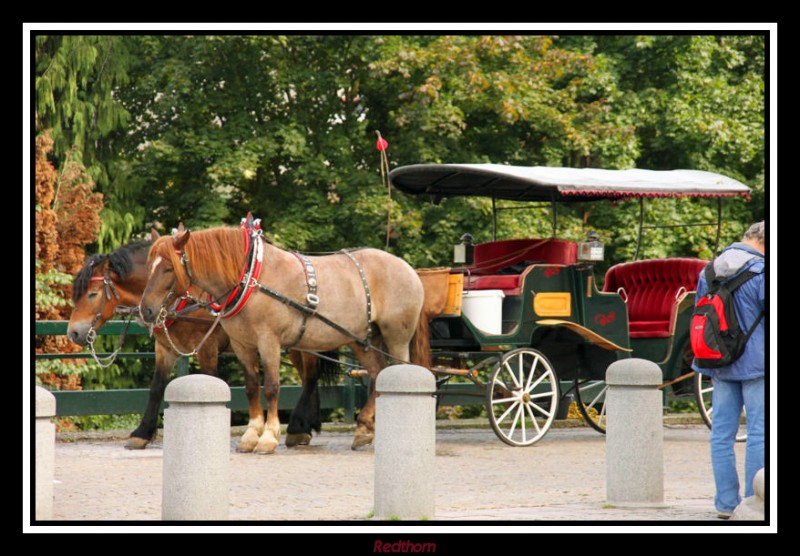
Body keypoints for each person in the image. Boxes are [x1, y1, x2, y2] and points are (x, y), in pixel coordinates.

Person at [692, 221, 765, 519]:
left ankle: (724, 504)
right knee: (759, 433)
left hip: (718, 361)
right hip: (758, 364)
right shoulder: (762, 272)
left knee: (721, 433)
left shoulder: (707, 271)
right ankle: (753, 501)